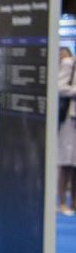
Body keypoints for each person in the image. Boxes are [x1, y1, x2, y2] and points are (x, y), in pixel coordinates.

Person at [57, 47, 76, 215]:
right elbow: (59, 87)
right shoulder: (69, 63)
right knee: (66, 163)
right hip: (70, 119)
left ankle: (74, 203)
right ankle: (61, 202)